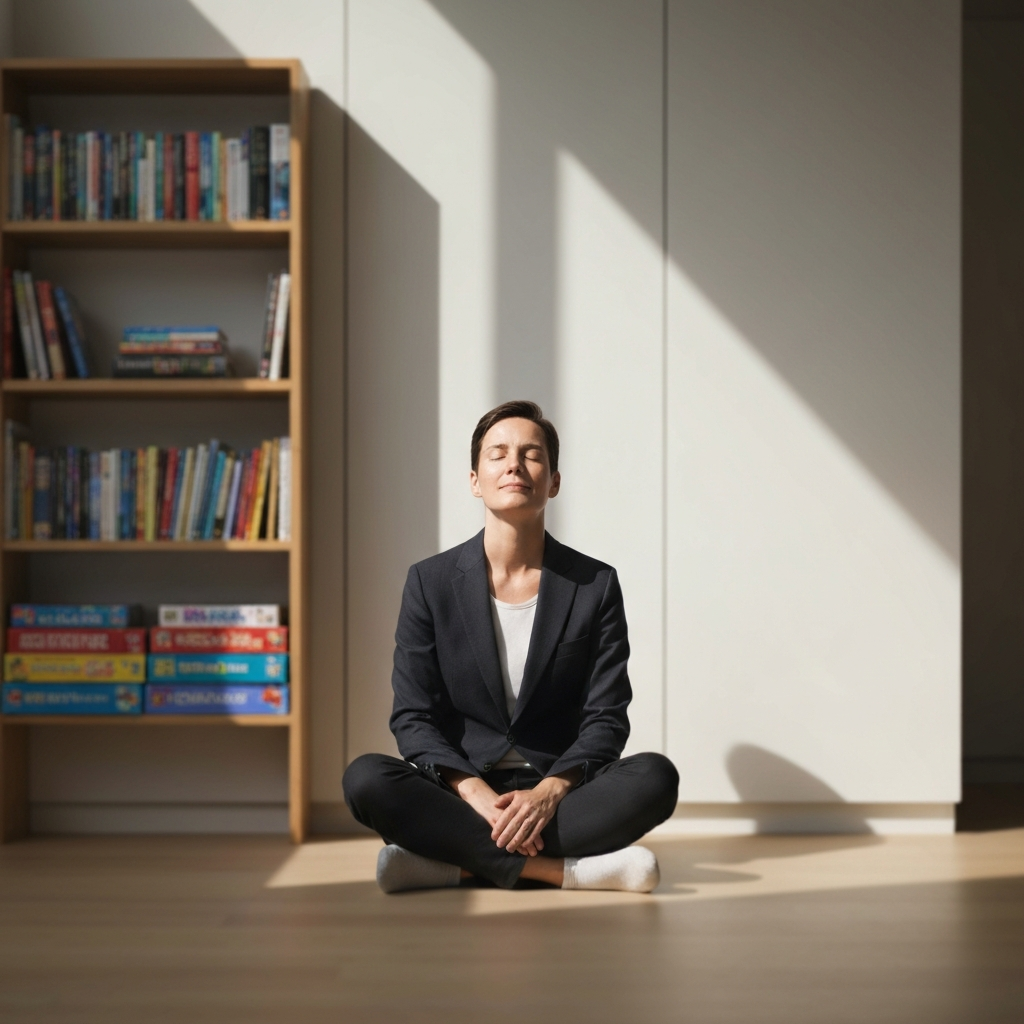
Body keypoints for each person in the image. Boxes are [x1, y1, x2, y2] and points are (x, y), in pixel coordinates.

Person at [343, 400, 679, 893]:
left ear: (554, 481)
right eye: (498, 453)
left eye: (531, 454)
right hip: (462, 793)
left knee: (656, 778)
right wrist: (474, 792)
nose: (514, 464)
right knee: (366, 779)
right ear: (476, 479)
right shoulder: (429, 582)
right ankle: (564, 872)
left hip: (559, 795)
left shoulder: (595, 584)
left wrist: (549, 791)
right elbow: (414, 716)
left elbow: (607, 717)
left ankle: (453, 864)